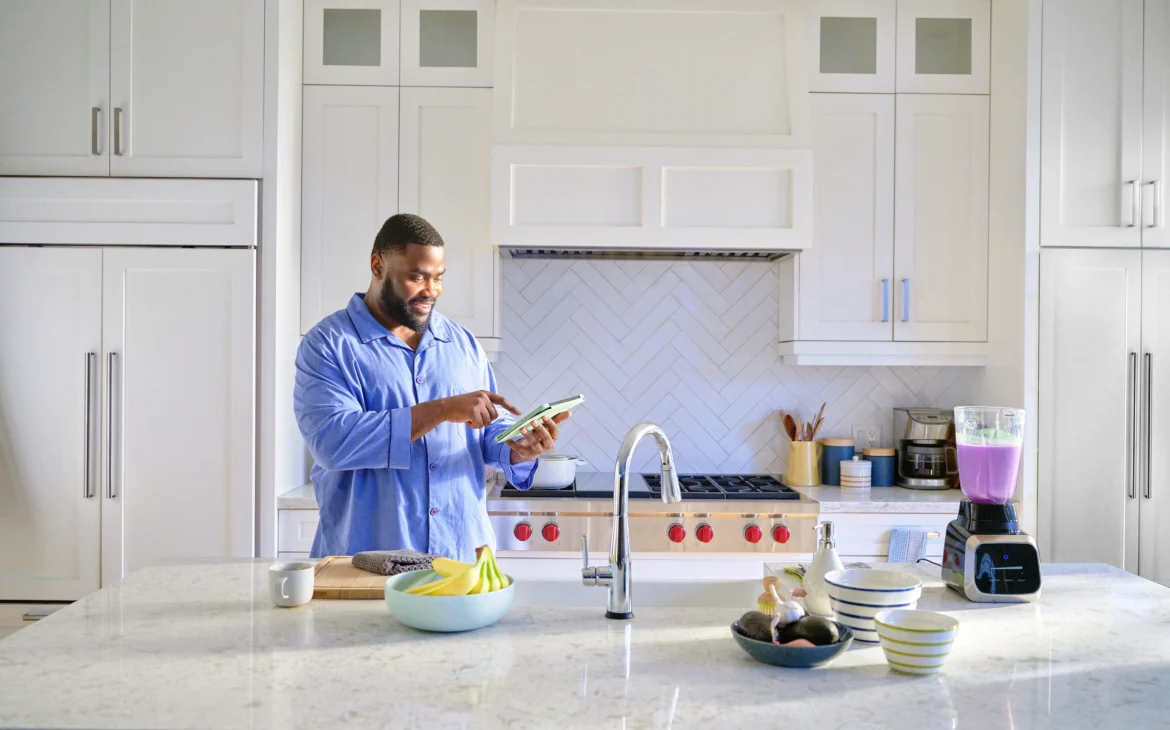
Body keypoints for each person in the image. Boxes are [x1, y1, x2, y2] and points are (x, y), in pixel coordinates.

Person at [293, 214, 568, 561]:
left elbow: (485, 428)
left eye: (438, 278)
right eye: (417, 277)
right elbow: (333, 442)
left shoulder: (461, 342)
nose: (431, 290)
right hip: (366, 563)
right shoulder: (329, 344)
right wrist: (440, 410)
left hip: (460, 559)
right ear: (378, 266)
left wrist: (518, 449)